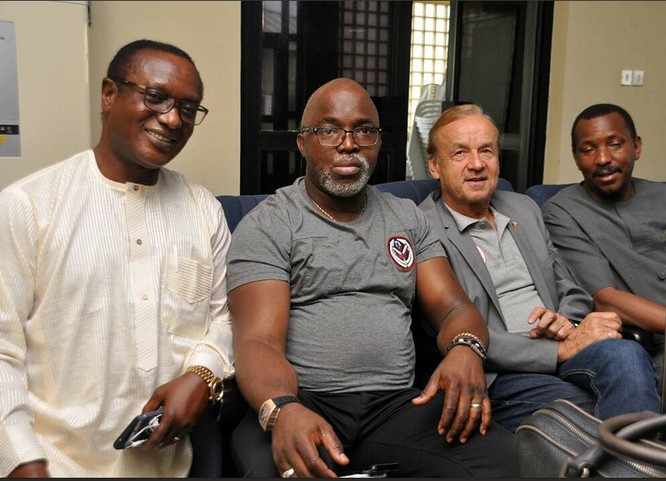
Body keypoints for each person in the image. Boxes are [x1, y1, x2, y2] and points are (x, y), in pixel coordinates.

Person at [226, 78, 517, 478]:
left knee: (503, 460)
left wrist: (466, 349)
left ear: (378, 142)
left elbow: (454, 307)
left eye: (364, 130)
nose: (349, 144)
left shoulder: (406, 217)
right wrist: (283, 408)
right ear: (302, 143)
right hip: (304, 400)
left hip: (395, 406)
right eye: (329, 130)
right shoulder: (270, 224)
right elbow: (257, 341)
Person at [0, 40, 234, 477]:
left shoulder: (204, 210)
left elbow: (224, 318)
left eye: (188, 108)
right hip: (55, 465)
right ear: (109, 94)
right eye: (156, 97)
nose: (171, 119)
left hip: (170, 466)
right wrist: (19, 458)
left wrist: (203, 374)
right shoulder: (27, 207)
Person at [418, 104, 661, 432]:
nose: (476, 165)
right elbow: (451, 330)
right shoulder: (423, 227)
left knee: (627, 355)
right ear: (435, 164)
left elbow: (568, 287)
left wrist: (567, 323)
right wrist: (558, 350)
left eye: (486, 151)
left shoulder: (524, 208)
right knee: (593, 411)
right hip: (500, 371)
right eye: (460, 153)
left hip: (563, 346)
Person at [542, 103, 666, 412]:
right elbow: (605, 298)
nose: (603, 159)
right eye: (588, 149)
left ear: (636, 147)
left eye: (615, 144)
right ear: (577, 158)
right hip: (663, 349)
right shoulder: (563, 211)